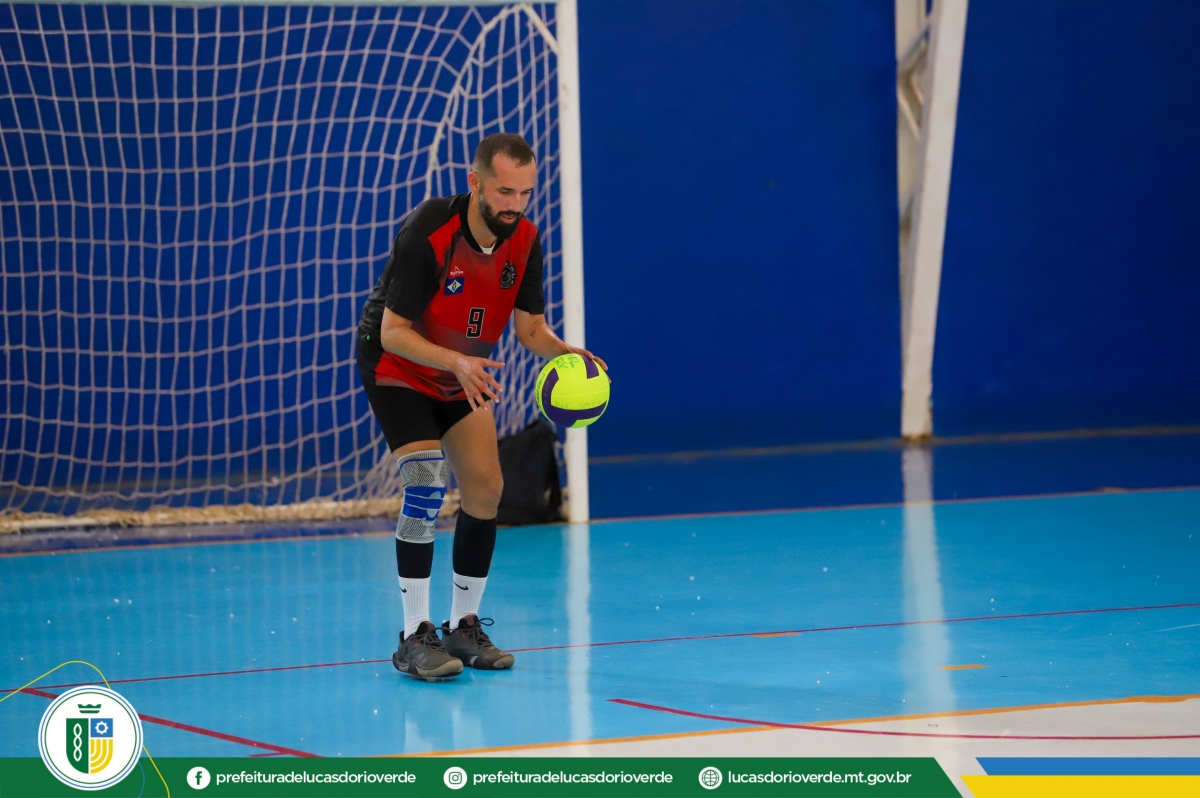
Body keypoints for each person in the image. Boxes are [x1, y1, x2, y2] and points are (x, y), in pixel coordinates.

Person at [356, 133, 607, 680]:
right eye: (504, 192)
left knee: (487, 487)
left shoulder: (526, 240)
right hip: (398, 366)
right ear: (475, 183)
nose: (515, 205)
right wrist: (457, 362)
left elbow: (530, 329)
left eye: (525, 193)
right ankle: (413, 635)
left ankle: (462, 626)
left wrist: (567, 354)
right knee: (426, 483)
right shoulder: (430, 231)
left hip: (462, 373)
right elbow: (394, 332)